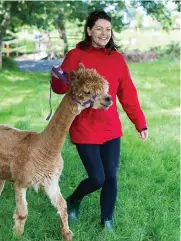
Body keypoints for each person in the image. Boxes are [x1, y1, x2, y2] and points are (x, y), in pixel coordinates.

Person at [50, 10, 148, 231]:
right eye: (99, 28)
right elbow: (61, 88)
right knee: (97, 178)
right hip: (84, 127)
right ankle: (73, 200)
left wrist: (140, 123)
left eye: (108, 29)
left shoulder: (117, 59)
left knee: (111, 176)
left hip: (111, 128)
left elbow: (128, 94)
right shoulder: (76, 56)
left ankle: (107, 221)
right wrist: (57, 79)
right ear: (89, 30)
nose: (104, 33)